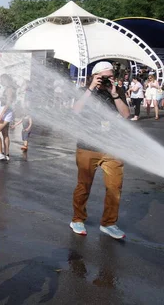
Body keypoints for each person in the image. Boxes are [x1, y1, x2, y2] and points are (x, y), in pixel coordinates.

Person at [70, 61, 130, 239]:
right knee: (84, 185)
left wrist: (115, 95)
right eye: (104, 76)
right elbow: (76, 111)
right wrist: (90, 88)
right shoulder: (85, 90)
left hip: (113, 147)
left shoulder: (116, 92)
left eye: (111, 76)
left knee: (114, 187)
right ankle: (78, 219)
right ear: (95, 76)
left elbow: (126, 115)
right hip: (87, 146)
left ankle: (109, 223)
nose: (107, 80)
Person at [0, 74, 16, 161]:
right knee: (5, 134)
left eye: (2, 79)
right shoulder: (7, 88)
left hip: (7, 112)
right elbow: (2, 103)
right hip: (5, 111)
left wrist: (1, 114)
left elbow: (8, 103)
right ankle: (6, 154)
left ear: (7, 80)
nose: (1, 81)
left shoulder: (9, 89)